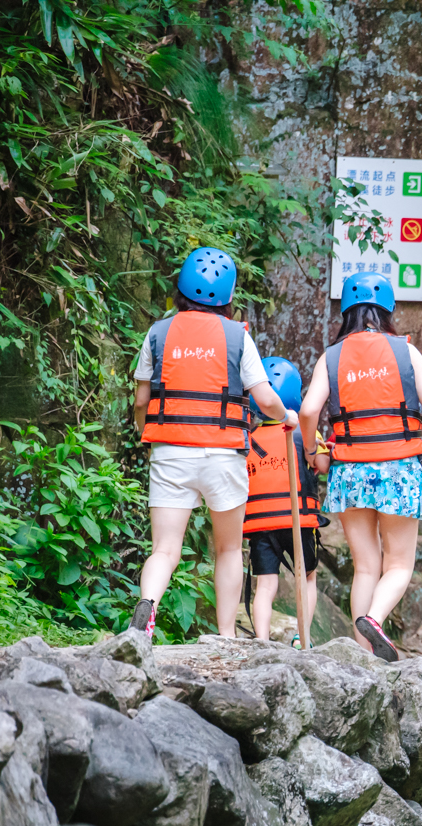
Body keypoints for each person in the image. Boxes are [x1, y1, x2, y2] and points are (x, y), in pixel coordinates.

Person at [132, 247, 297, 638]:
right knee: (227, 549)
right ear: (229, 296)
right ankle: (225, 637)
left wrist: (147, 433)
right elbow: (266, 398)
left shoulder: (158, 332)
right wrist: (285, 417)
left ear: (181, 289)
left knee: (165, 550)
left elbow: (141, 400)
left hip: (170, 451)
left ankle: (147, 608)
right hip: (223, 455)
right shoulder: (238, 336)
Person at [299, 272, 422, 662]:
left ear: (346, 311)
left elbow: (307, 410)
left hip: (349, 470)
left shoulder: (331, 356)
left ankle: (362, 653)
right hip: (399, 470)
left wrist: (311, 449)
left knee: (366, 566)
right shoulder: (405, 350)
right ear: (388, 310)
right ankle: (375, 618)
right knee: (399, 563)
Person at [244, 357, 328, 645]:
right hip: (299, 520)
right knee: (307, 578)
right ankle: (301, 638)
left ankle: (263, 641)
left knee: (265, 585)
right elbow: (324, 463)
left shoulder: (249, 439)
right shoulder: (304, 433)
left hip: (260, 525)